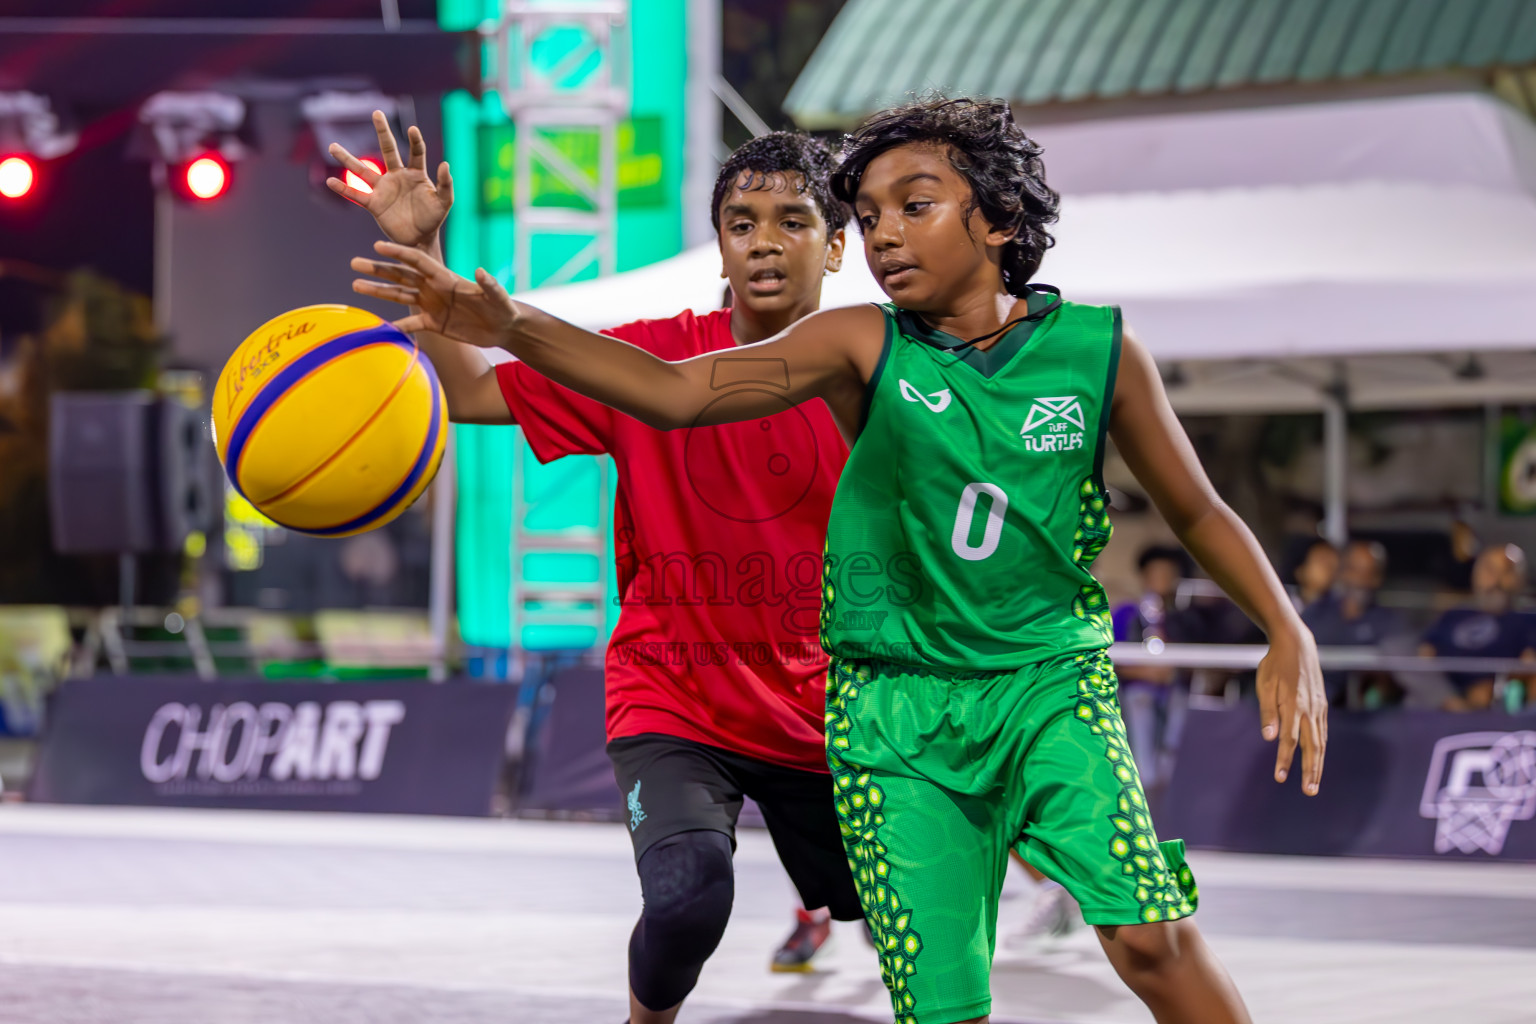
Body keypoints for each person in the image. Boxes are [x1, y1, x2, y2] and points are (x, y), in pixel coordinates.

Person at [352, 96, 1328, 1024]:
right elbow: (672, 394)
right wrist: (498, 313)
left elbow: (1198, 507)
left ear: (998, 220)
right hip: (872, 710)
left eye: (912, 207)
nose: (888, 233)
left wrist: (1286, 627)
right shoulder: (856, 344)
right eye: (872, 215)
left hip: (1034, 684)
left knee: (1152, 938)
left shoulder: (1099, 350)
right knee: (879, 978)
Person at [327, 115, 864, 1019]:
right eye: (742, 224)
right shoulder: (648, 355)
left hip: (833, 710)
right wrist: (419, 246)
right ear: (720, 251)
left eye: (794, 221)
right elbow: (469, 392)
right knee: (689, 898)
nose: (766, 243)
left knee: (908, 915)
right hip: (675, 696)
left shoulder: (882, 372)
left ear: (838, 246)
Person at [1114, 546, 1202, 792]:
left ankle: (1169, 781)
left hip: (1176, 697)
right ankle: (1143, 779)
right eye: (1155, 572)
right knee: (1140, 704)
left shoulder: (1186, 619)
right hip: (1135, 697)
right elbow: (1114, 661)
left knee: (1179, 710)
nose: (1161, 578)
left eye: (1168, 572)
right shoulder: (1127, 614)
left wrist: (1172, 672)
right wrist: (1149, 673)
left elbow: (1196, 663)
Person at [1420, 544, 1535, 711]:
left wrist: (1497, 684)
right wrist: (1449, 695)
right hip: (1448, 693)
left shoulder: (1527, 618)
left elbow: (1529, 663)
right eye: (1489, 570)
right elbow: (1425, 655)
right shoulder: (1455, 615)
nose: (1495, 580)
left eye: (1506, 572)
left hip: (1500, 696)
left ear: (1520, 580)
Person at [1302, 540, 1407, 706]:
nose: (1360, 579)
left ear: (1378, 579)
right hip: (1313, 700)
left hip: (1363, 712)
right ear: (1342, 573)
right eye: (1354, 570)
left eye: (1369, 572)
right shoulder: (1318, 611)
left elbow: (1396, 675)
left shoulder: (1387, 621)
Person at [1290, 537, 1339, 611]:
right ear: (1300, 571)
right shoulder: (1280, 599)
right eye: (1321, 560)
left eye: (1331, 566)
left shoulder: (1338, 613)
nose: (1327, 569)